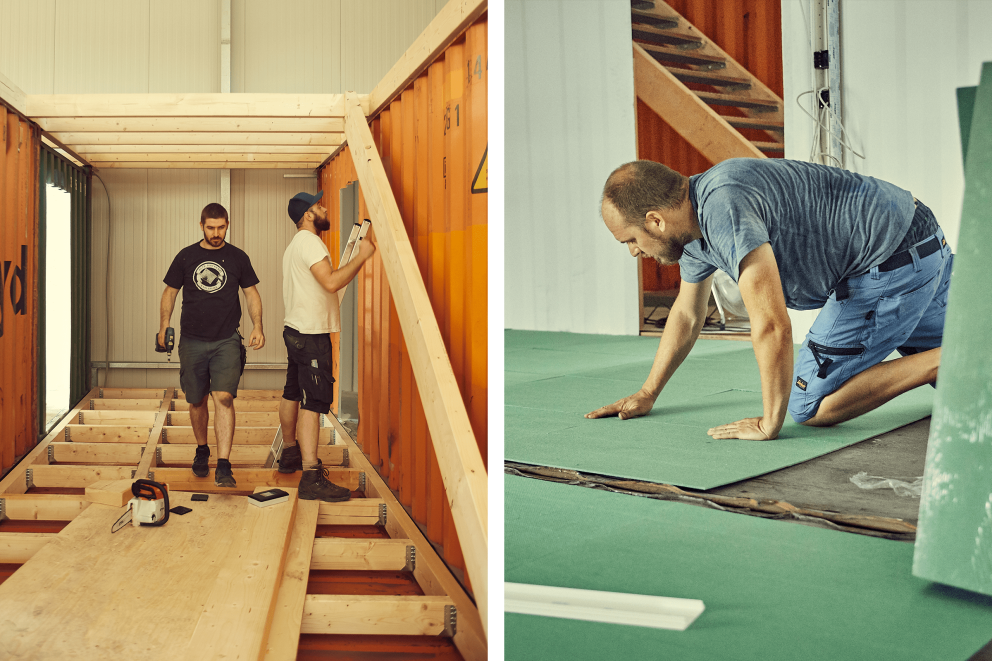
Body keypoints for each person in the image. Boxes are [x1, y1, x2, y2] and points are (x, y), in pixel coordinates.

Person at [586, 158, 953, 440]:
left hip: (889, 259)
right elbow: (686, 314)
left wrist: (769, 422)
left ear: (655, 221)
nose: (634, 252)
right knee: (968, 381)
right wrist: (649, 392)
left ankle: (940, 360)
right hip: (920, 237)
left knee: (810, 406)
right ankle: (953, 357)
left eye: (630, 239)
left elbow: (772, 325)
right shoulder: (692, 227)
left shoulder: (722, 208)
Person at [277, 191, 376, 500]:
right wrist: (363, 255)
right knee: (313, 402)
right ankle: (310, 476)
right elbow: (331, 282)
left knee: (293, 391)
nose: (324, 208)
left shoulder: (294, 246)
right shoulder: (310, 243)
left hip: (296, 329)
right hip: (311, 335)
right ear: (308, 215)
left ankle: (290, 452)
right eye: (319, 206)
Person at [160, 202, 264, 486]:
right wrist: (163, 325)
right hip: (192, 340)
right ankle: (202, 450)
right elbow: (170, 292)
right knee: (196, 400)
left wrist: (258, 325)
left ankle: (224, 464)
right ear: (201, 225)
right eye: (210, 228)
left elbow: (251, 294)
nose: (216, 233)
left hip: (226, 339)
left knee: (224, 398)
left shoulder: (238, 258)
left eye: (221, 227)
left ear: (227, 224)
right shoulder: (186, 257)